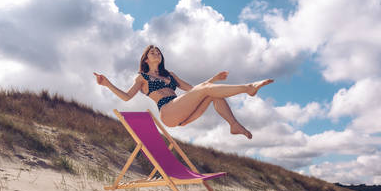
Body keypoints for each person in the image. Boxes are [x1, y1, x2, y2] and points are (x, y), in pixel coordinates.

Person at [94, 45, 273, 139]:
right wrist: (107, 84)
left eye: (158, 51)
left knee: (210, 93)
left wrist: (213, 80)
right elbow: (126, 98)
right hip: (168, 113)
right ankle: (248, 88)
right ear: (146, 59)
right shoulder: (142, 77)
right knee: (206, 89)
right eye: (152, 52)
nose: (156, 53)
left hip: (184, 115)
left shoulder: (170, 75)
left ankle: (233, 124)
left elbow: (193, 90)